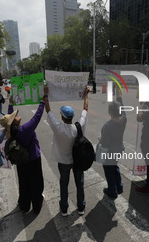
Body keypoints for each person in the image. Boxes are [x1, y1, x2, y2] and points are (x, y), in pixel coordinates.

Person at [44, 86, 89, 216]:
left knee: (64, 184)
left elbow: (48, 111)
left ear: (62, 117)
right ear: (72, 116)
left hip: (64, 162)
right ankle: (81, 207)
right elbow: (85, 109)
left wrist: (46, 95)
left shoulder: (58, 128)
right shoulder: (79, 126)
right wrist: (85, 95)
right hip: (78, 161)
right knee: (79, 184)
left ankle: (64, 208)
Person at [0, 89, 47, 215]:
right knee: (36, 183)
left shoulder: (11, 131)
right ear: (14, 121)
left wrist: (10, 104)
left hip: (21, 161)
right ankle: (37, 206)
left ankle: (24, 206)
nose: (16, 115)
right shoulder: (25, 130)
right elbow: (37, 117)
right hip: (33, 160)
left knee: (24, 183)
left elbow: (9, 119)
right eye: (14, 116)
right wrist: (42, 101)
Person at [99, 88, 126, 199]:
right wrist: (119, 96)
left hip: (109, 152)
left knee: (109, 171)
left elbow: (105, 142)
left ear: (110, 112)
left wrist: (100, 138)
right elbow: (123, 108)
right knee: (115, 167)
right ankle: (119, 187)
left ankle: (112, 191)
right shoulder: (124, 119)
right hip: (119, 149)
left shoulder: (107, 126)